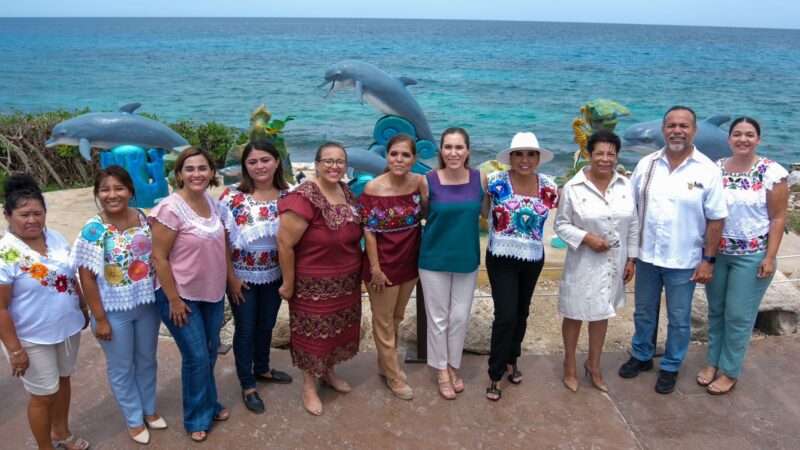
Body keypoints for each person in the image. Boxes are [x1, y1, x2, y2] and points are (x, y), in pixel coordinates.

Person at [618, 106, 728, 394]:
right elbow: (631, 209)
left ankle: (670, 365)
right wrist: (629, 254)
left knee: (679, 318)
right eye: (671, 125)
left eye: (683, 126)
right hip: (647, 256)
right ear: (663, 129)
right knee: (643, 311)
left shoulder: (707, 169)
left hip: (684, 259)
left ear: (694, 130)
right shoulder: (647, 164)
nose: (677, 131)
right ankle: (642, 355)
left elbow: (716, 219)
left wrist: (708, 260)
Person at [696, 117, 788, 395]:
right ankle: (712, 362)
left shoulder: (771, 172)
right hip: (718, 253)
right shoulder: (716, 169)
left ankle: (731, 370)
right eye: (737, 134)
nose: (743, 139)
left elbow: (778, 218)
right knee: (716, 311)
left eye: (749, 135)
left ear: (758, 139)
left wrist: (770, 257)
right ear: (729, 139)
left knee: (738, 315)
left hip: (752, 256)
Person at [74, 166, 165, 444]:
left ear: (130, 191)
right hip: (113, 311)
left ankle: (149, 410)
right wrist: (99, 319)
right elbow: (86, 277)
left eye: (118, 188)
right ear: (97, 194)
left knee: (147, 360)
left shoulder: (144, 218)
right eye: (105, 190)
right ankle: (134, 419)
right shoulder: (93, 229)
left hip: (146, 304)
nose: (112, 195)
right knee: (121, 366)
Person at [0, 174, 90, 450]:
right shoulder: (6, 253)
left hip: (66, 329)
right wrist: (15, 350)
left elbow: (70, 274)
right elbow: (0, 307)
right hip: (31, 337)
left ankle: (61, 433)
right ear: (7, 215)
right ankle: (44, 447)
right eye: (24, 214)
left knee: (63, 382)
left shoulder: (55, 237)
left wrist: (83, 306)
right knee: (43, 395)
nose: (33, 220)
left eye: (38, 213)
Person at [149, 147, 228, 442]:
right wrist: (173, 299)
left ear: (212, 173)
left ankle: (209, 403)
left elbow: (223, 246)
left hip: (212, 291)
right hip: (180, 295)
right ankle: (196, 417)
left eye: (203, 168)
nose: (197, 174)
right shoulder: (170, 208)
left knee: (208, 351)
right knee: (195, 356)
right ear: (179, 173)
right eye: (190, 169)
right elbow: (159, 257)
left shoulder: (211, 202)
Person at [277, 142, 362, 416]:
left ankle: (329, 372)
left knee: (335, 332)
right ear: (316, 164)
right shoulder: (304, 196)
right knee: (312, 335)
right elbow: (284, 243)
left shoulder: (345, 191)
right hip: (312, 284)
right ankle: (309, 386)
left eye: (340, 161)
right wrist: (289, 283)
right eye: (328, 161)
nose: (334, 166)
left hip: (345, 281)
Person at [555, 131, 638, 393]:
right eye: (599, 153)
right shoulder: (573, 187)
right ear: (589, 155)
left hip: (614, 261)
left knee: (602, 312)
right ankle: (570, 364)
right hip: (583, 261)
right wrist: (587, 238)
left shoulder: (625, 185)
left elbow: (633, 224)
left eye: (611, 154)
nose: (605, 159)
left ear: (617, 156)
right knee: (574, 311)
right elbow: (561, 225)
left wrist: (631, 258)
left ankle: (594, 364)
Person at [482, 131, 558, 401]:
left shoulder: (549, 186)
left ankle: (513, 359)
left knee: (522, 312)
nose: (524, 159)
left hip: (533, 259)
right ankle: (495, 373)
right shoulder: (494, 182)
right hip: (501, 257)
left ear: (538, 158)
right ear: (510, 157)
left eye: (530, 154)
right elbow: (483, 213)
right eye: (518, 154)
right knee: (505, 316)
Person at [219, 140, 293, 415]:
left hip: (275, 275)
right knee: (246, 329)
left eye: (265, 160)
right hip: (243, 278)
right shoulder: (232, 197)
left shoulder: (290, 195)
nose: (259, 166)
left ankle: (262, 368)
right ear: (245, 167)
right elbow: (222, 242)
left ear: (277, 162)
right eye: (253, 162)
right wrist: (231, 279)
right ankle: (248, 384)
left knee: (267, 325)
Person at [418, 127, 488, 400]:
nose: (453, 153)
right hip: (433, 257)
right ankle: (441, 371)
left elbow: (490, 212)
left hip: (466, 257)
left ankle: (452, 363)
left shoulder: (479, 178)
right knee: (438, 318)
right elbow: (424, 214)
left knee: (459, 317)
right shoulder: (428, 180)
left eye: (459, 147)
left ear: (468, 150)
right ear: (441, 151)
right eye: (448, 147)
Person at [359, 134, 424, 400]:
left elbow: (430, 214)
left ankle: (385, 365)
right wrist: (375, 268)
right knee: (384, 320)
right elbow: (369, 232)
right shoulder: (373, 188)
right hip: (382, 265)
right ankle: (394, 375)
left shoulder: (420, 183)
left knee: (396, 317)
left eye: (405, 155)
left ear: (414, 159)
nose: (399, 159)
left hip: (410, 262)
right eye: (394, 154)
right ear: (386, 156)